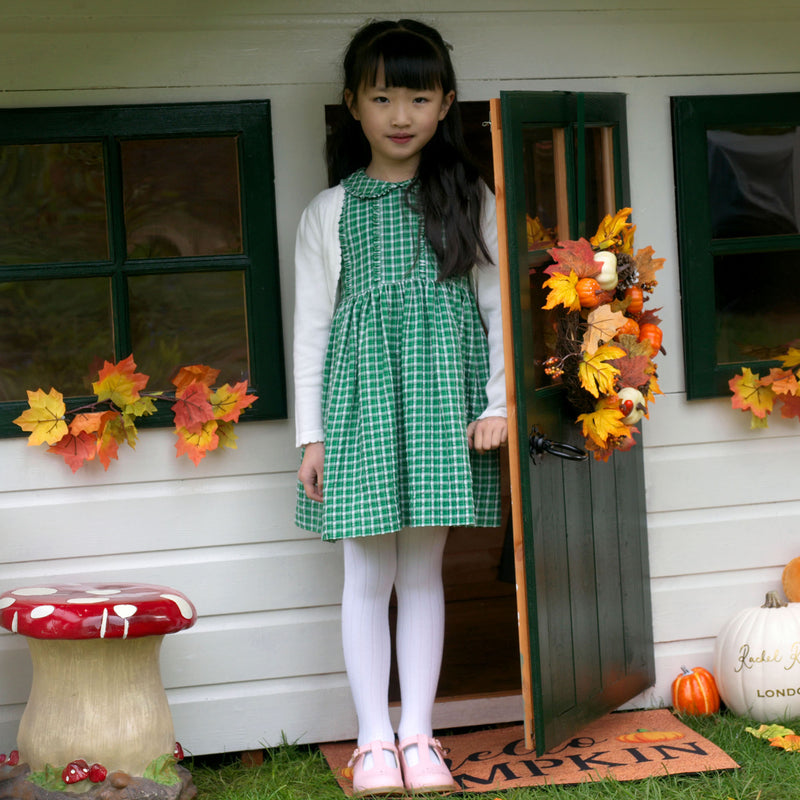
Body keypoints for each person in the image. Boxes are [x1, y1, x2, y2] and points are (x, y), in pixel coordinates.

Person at [293, 18, 507, 797]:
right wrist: (310, 437)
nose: (401, 114)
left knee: (422, 571)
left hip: (440, 405)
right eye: (382, 95)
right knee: (365, 572)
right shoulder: (329, 212)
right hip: (360, 410)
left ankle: (419, 734)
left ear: (446, 101)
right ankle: (373, 742)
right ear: (353, 103)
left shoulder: (467, 195)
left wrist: (499, 403)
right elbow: (311, 329)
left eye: (419, 95)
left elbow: (496, 310)